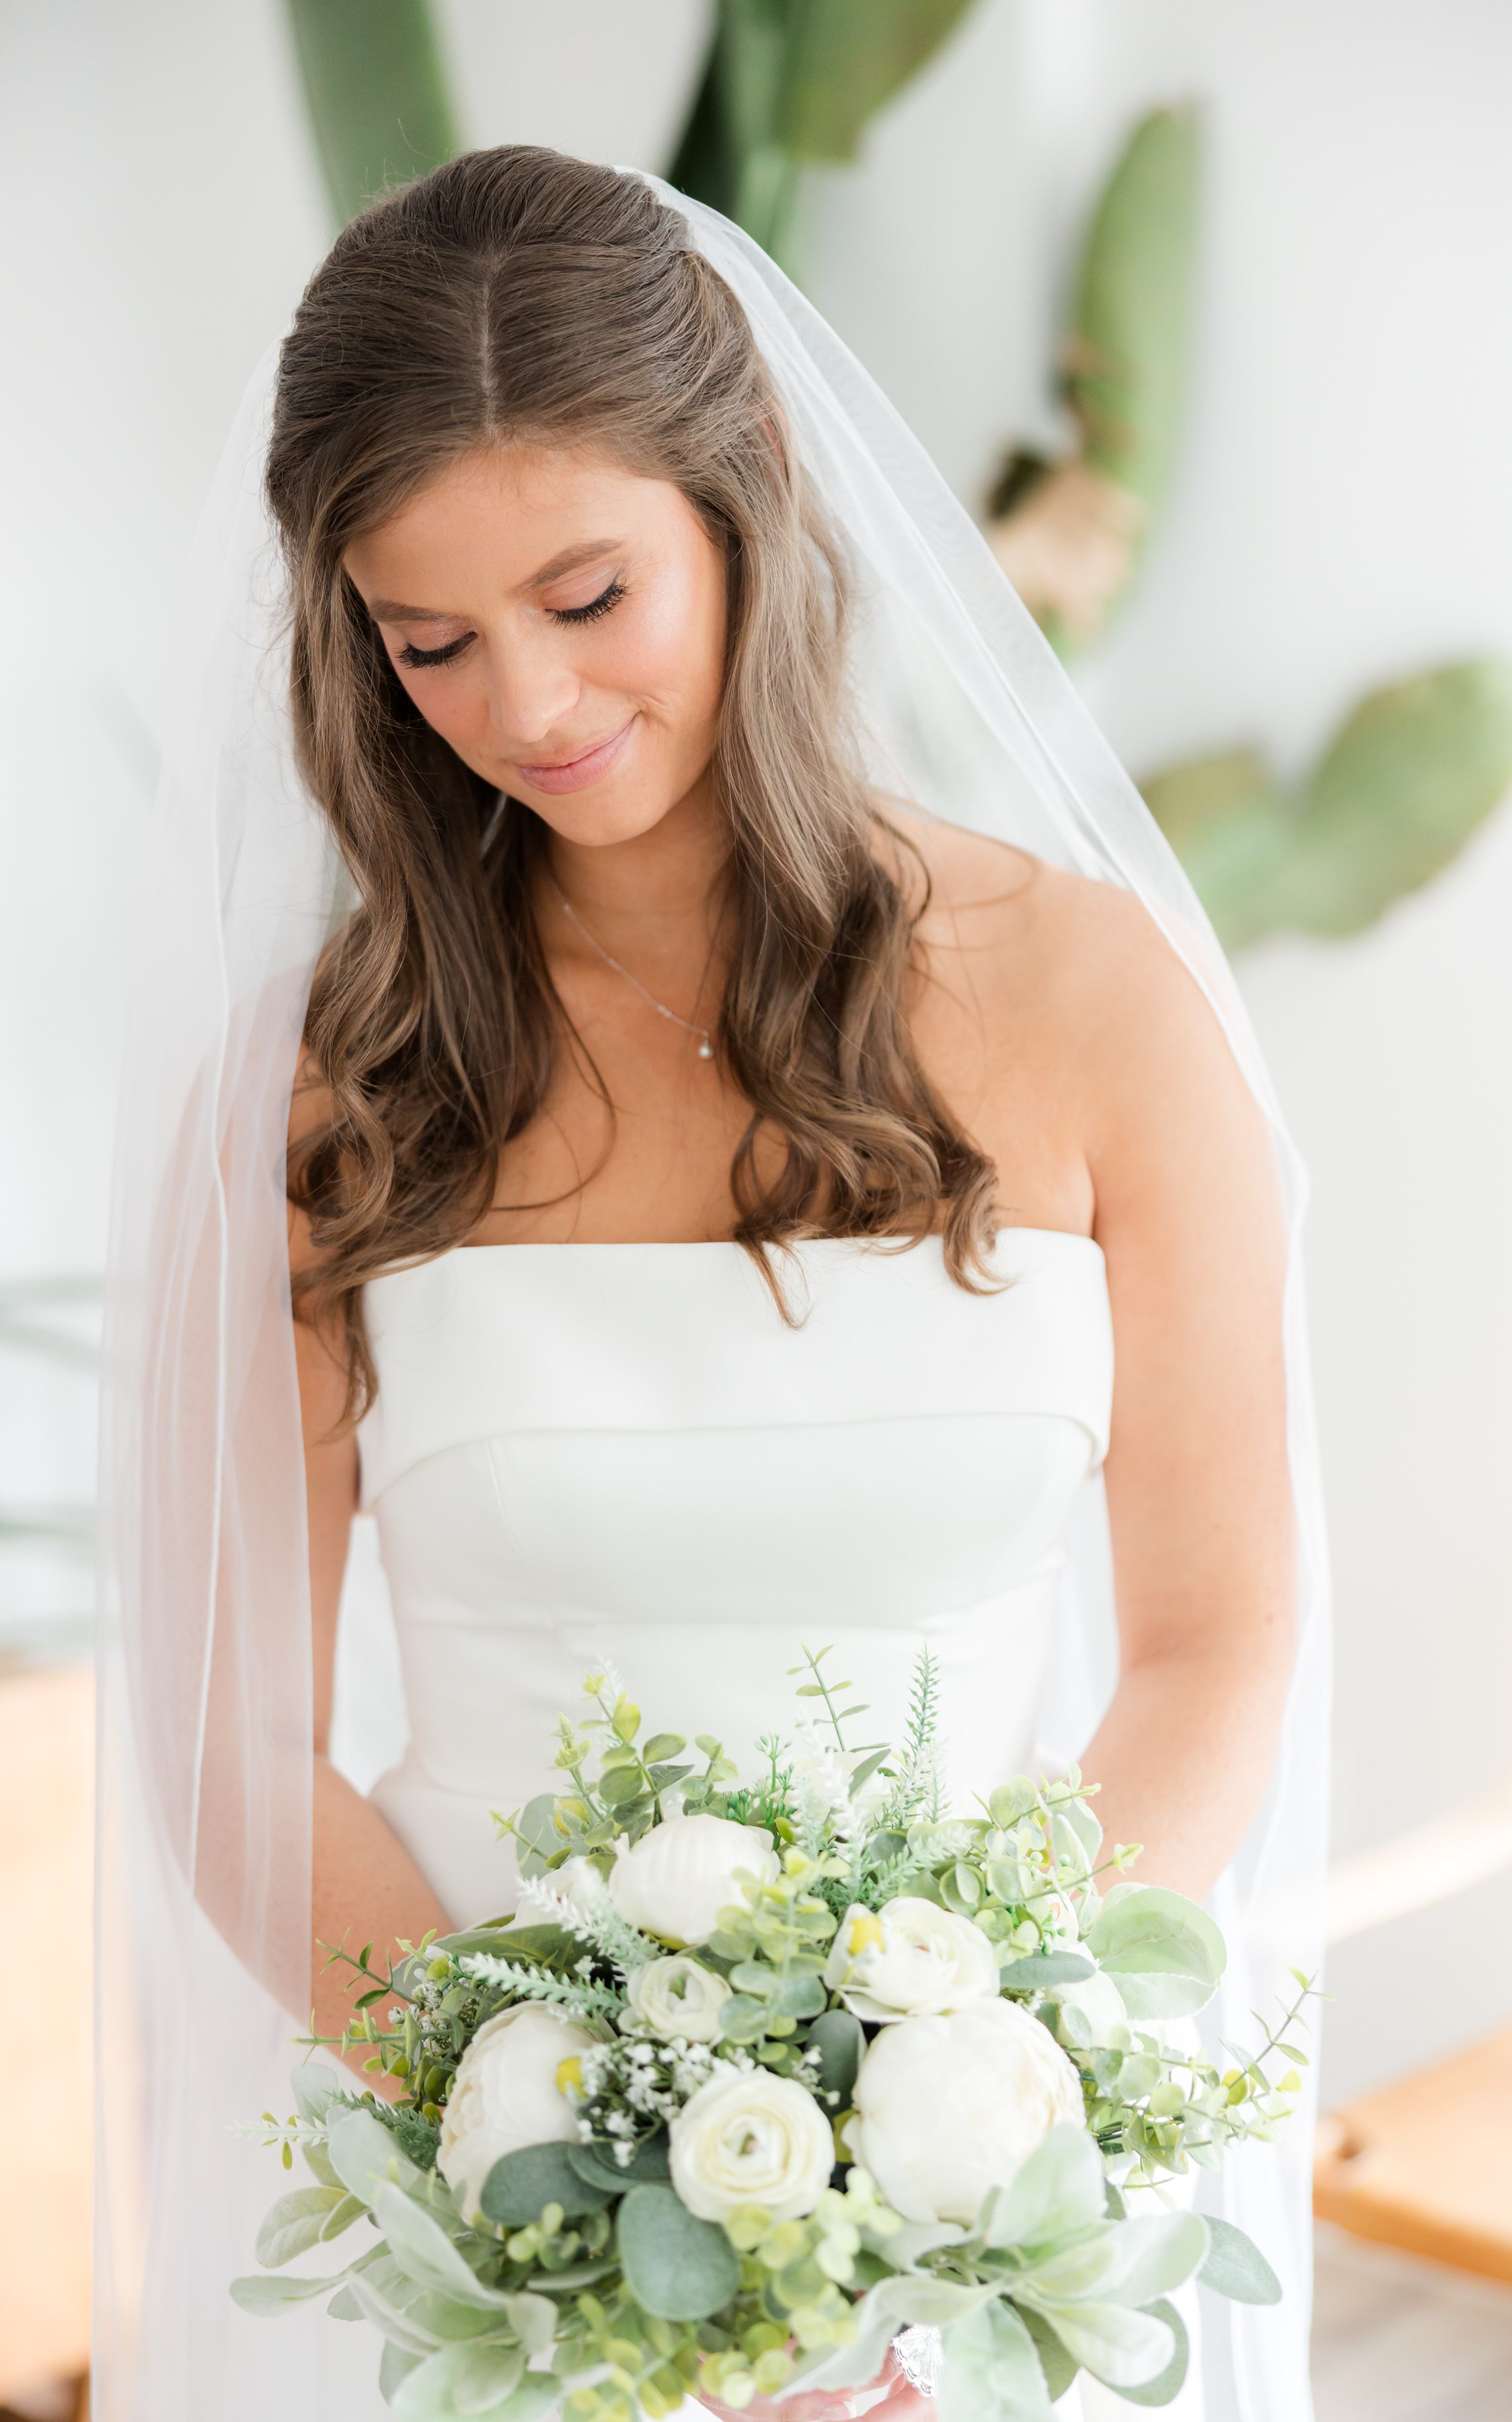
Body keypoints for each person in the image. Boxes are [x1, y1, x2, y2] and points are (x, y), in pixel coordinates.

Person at [100, 147, 1328, 2422]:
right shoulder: (314, 1092)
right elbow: (220, 1740)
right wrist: (556, 2187)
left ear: (749, 491)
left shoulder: (1089, 996)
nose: (529, 705)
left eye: (590, 594)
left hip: (992, 2173)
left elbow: (1215, 1635)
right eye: (428, 637)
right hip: (471, 2184)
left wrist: (957, 2104)